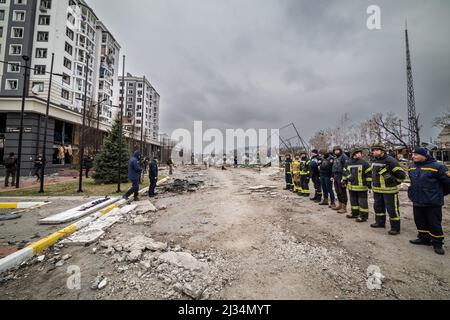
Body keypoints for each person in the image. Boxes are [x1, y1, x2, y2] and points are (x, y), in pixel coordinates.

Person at [408, 147, 450, 255]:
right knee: (420, 221)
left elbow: (448, 183)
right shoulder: (412, 167)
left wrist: (439, 194)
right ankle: (424, 239)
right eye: (413, 154)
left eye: (416, 154)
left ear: (424, 155)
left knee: (434, 223)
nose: (413, 156)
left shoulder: (438, 166)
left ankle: (437, 243)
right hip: (417, 200)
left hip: (433, 202)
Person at [370, 143, 406, 235]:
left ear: (382, 151)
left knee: (392, 209)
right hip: (377, 190)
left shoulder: (391, 161)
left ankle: (395, 228)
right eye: (373, 150)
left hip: (389, 191)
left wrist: (393, 181)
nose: (374, 152)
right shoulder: (374, 160)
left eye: (376, 150)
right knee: (378, 207)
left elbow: (401, 175)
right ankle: (380, 222)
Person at [343, 148, 372, 222]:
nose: (360, 154)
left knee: (363, 203)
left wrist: (368, 183)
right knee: (353, 201)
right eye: (358, 153)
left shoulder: (364, 163)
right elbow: (345, 172)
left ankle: (363, 216)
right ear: (353, 154)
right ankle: (354, 214)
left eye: (360, 153)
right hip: (351, 186)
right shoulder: (348, 163)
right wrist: (344, 180)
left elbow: (369, 174)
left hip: (361, 187)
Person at [331, 146, 349, 214]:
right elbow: (334, 167)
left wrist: (344, 178)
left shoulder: (344, 157)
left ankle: (344, 208)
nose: (336, 151)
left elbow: (346, 167)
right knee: (337, 191)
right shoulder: (335, 157)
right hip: (336, 176)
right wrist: (332, 175)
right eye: (335, 150)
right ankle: (340, 205)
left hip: (341, 175)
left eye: (337, 150)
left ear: (340, 150)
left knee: (342, 192)